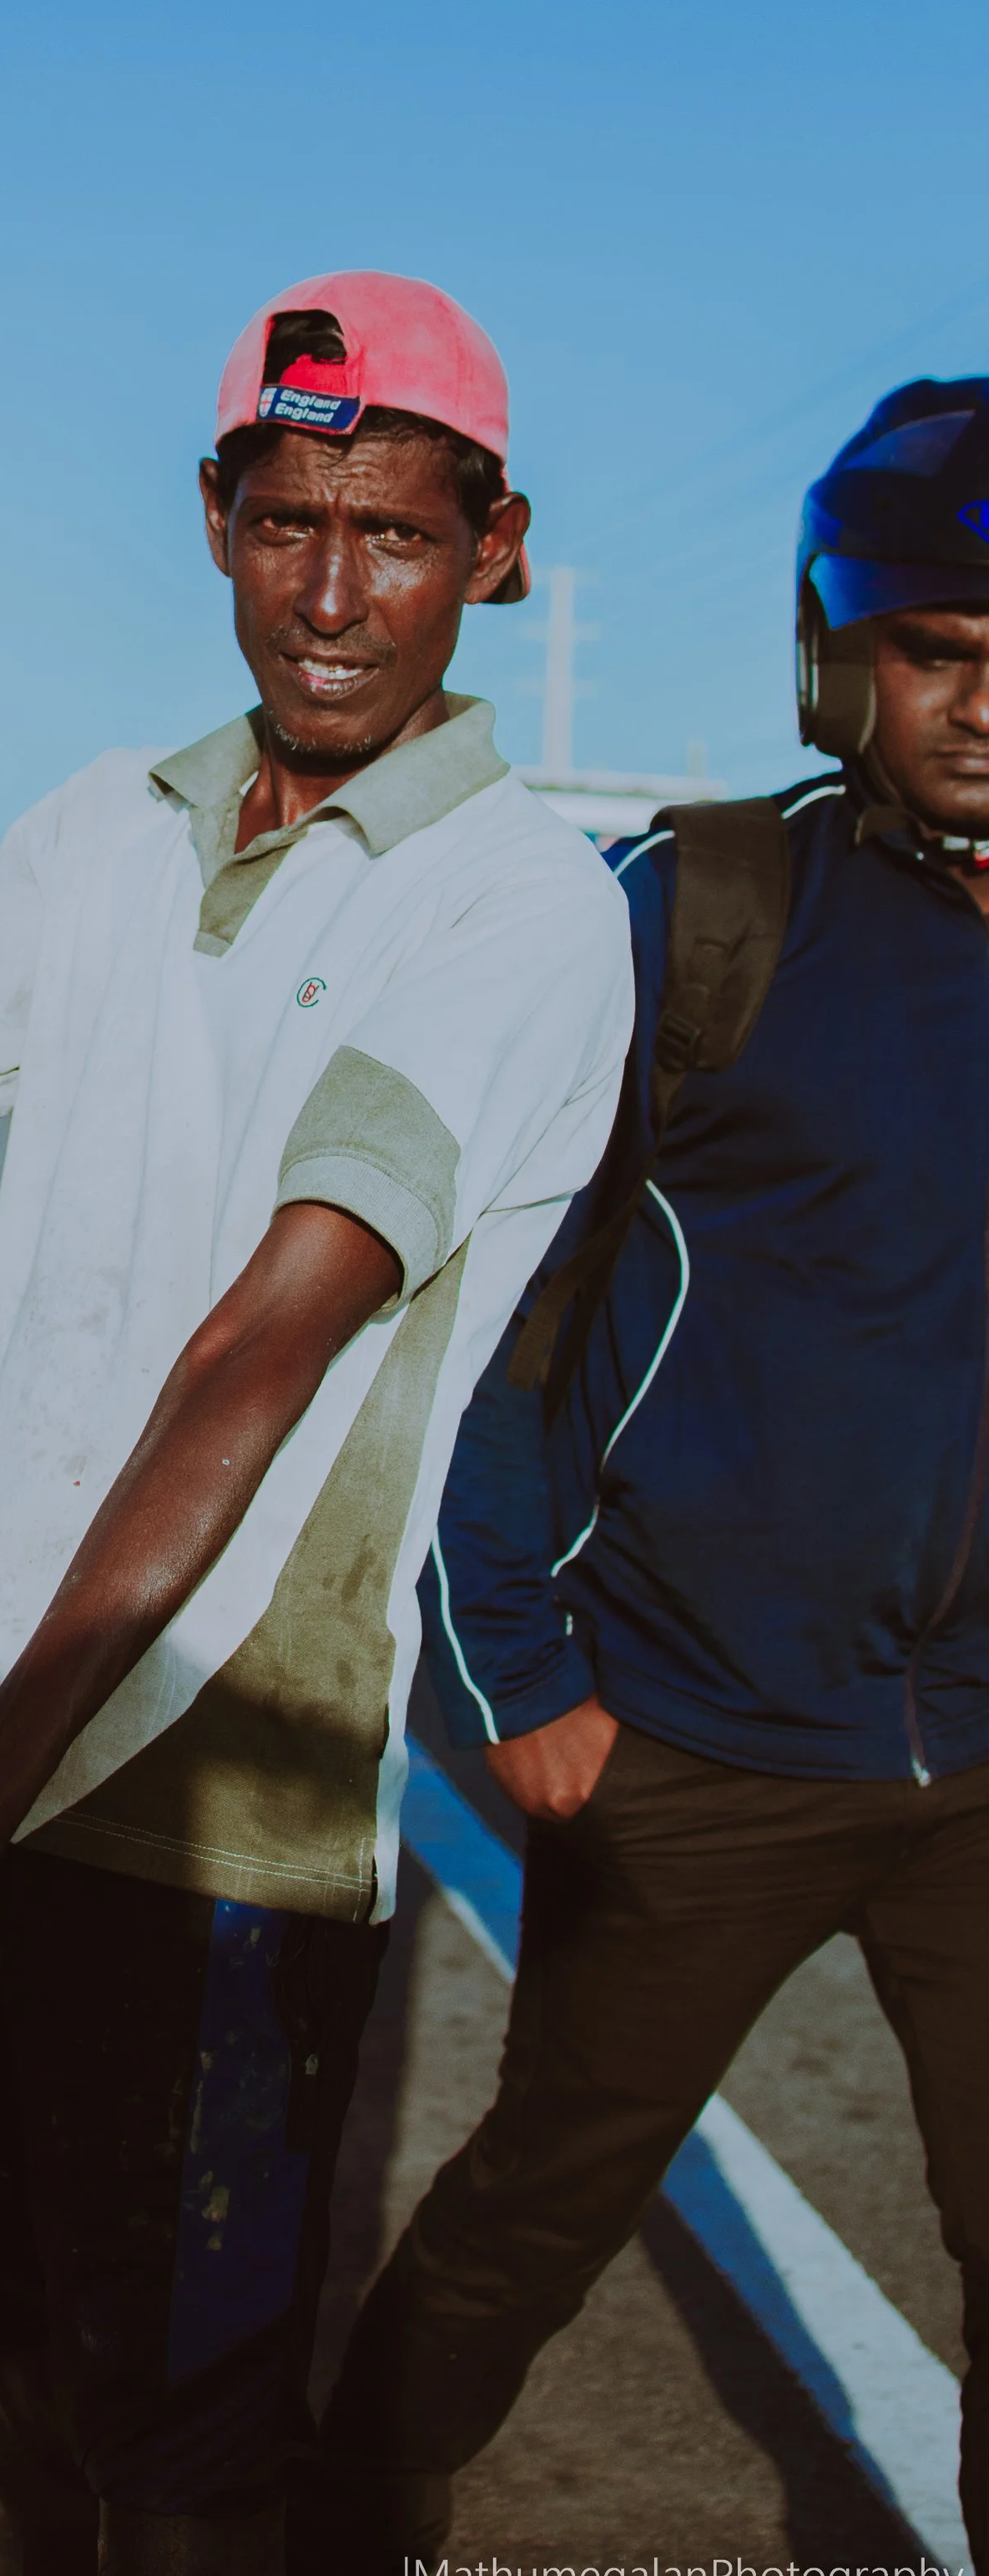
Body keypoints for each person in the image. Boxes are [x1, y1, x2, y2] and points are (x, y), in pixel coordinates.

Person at [0, 271, 635, 2573]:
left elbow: (255, 1355)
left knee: (192, 2443)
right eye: (287, 521)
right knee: (27, 2363)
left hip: (217, 1781)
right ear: (214, 519)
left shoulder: (513, 906)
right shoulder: (99, 827)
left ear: (493, 550)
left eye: (397, 536)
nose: (333, 594)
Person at [317, 376, 989, 2563]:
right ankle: (350, 2504)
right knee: (541, 2196)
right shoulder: (701, 911)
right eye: (935, 652)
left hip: (980, 1758)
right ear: (838, 658)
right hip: (686, 1728)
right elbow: (504, 1308)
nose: (979, 704)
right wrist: (520, 1668)